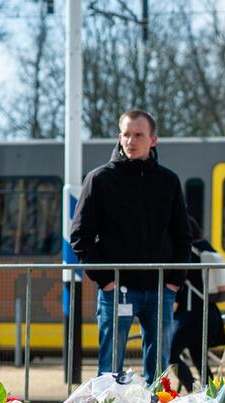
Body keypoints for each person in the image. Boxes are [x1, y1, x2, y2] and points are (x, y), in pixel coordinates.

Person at [70, 109, 191, 385]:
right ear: (119, 137)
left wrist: (173, 283)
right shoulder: (99, 179)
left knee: (158, 371)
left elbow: (183, 236)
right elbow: (80, 235)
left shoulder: (169, 181)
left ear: (153, 140)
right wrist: (106, 280)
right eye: (126, 134)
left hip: (161, 290)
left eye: (139, 135)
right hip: (116, 289)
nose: (131, 141)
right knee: (109, 369)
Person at [170, 217, 225, 393]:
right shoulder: (205, 248)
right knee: (199, 357)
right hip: (207, 312)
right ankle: (212, 395)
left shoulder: (189, 252)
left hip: (190, 314)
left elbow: (180, 280)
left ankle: (191, 389)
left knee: (169, 353)